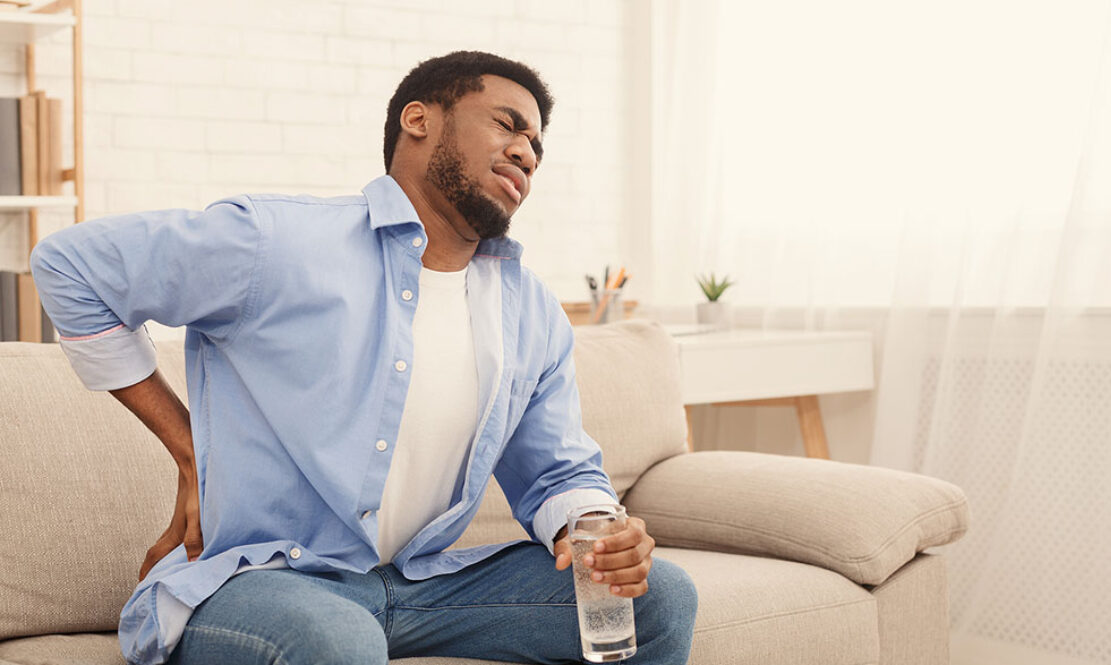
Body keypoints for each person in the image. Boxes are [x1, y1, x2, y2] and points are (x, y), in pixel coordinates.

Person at [31, 51, 697, 665]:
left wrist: (598, 531)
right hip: (266, 580)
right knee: (335, 638)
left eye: (536, 148)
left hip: (417, 584)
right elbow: (69, 267)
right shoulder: (279, 242)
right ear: (420, 120)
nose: (525, 151)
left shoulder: (530, 311)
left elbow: (557, 471)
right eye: (506, 124)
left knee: (659, 599)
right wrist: (188, 450)